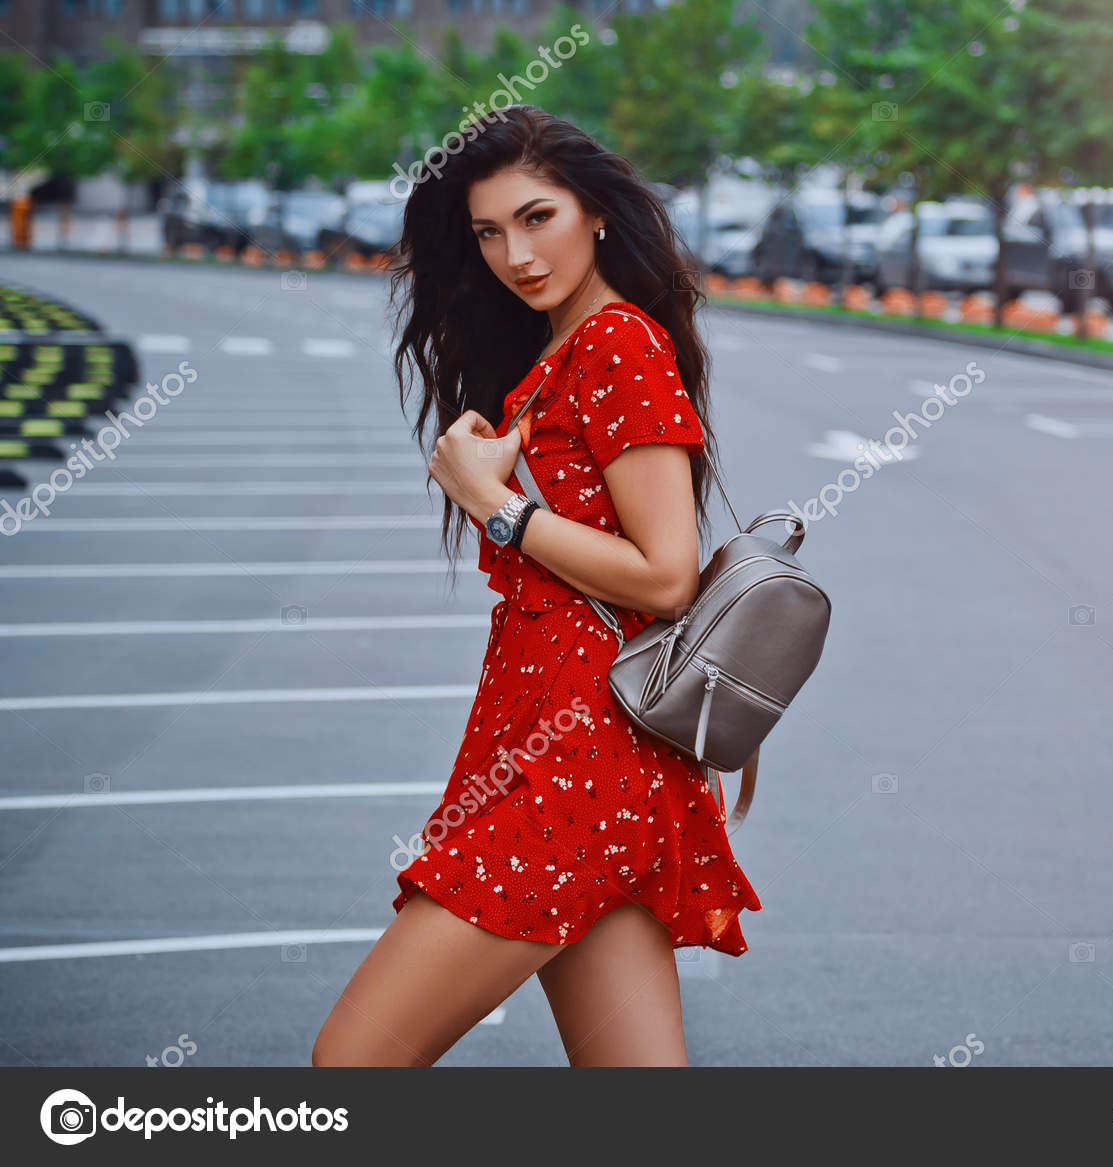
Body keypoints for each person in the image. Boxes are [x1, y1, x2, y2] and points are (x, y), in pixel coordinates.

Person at [312, 105, 760, 1068]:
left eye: (537, 217)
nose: (515, 253)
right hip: (564, 741)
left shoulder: (616, 345)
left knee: (354, 1060)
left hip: (580, 760)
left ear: (596, 212)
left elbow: (668, 574)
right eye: (487, 232)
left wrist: (497, 505)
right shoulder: (558, 351)